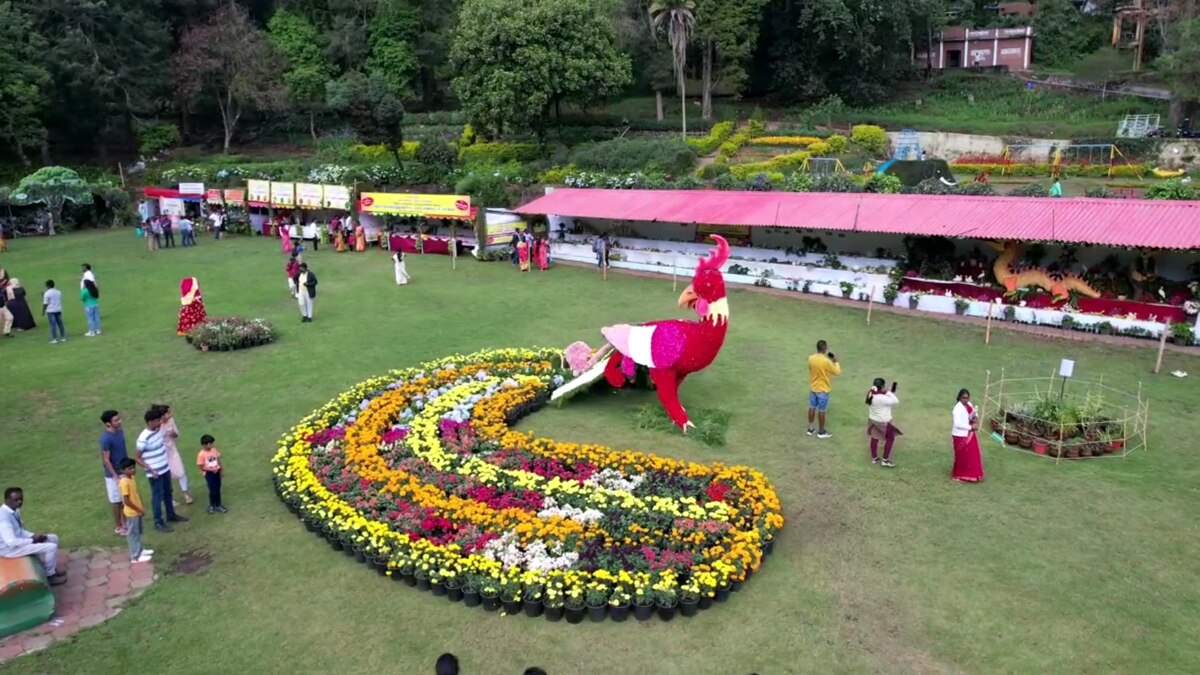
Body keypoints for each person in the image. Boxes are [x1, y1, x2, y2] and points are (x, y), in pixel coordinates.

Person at [135, 408, 188, 532]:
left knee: (168, 492)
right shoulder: (143, 438)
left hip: (165, 468)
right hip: (155, 473)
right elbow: (137, 457)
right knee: (157, 496)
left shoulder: (158, 429)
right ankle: (158, 522)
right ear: (150, 422)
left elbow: (166, 422)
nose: (160, 422)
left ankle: (171, 515)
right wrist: (150, 469)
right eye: (158, 420)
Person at [0, 488, 66, 584]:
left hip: (18, 541)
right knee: (50, 547)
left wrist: (34, 536)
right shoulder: (4, 519)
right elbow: (11, 542)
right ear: (7, 500)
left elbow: (20, 530)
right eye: (16, 499)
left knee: (53, 538)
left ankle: (52, 568)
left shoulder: (14, 510)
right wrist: (32, 540)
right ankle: (50, 576)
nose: (20, 502)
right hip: (10, 550)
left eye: (21, 499)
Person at [100, 410, 136, 536]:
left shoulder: (120, 432)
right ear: (108, 424)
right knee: (116, 501)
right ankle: (119, 526)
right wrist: (115, 475)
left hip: (123, 470)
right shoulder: (106, 439)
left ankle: (125, 521)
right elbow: (105, 459)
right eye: (116, 420)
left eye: (119, 419)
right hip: (113, 475)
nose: (119, 422)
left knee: (125, 497)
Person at [155, 404, 193, 505]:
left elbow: (176, 434)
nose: (170, 414)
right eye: (168, 413)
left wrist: (173, 434)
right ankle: (168, 498)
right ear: (162, 415)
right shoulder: (156, 425)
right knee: (165, 475)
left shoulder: (171, 421)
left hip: (171, 450)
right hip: (161, 453)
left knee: (181, 471)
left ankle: (185, 493)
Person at [118, 459, 154, 564]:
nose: (133, 470)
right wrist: (138, 510)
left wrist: (141, 507)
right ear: (123, 470)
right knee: (133, 533)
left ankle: (140, 550)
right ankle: (135, 556)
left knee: (138, 532)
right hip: (132, 512)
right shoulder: (124, 483)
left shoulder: (132, 478)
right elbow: (126, 501)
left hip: (137, 511)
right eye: (129, 469)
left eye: (133, 467)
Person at [807, 340, 841, 439]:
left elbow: (810, 369)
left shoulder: (811, 358)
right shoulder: (826, 361)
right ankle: (821, 431)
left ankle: (810, 428)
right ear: (825, 348)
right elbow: (837, 372)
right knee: (822, 410)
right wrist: (836, 362)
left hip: (813, 387)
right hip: (823, 389)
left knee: (812, 407)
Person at [865, 378, 902, 468]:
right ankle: (885, 460)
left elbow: (878, 395)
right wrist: (888, 392)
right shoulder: (882, 398)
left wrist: (884, 392)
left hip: (873, 419)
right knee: (890, 438)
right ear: (882, 386)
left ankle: (874, 458)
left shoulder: (871, 392)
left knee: (875, 437)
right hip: (884, 421)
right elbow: (896, 401)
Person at [951, 388, 985, 483]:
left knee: (973, 454)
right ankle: (960, 475)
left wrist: (974, 418)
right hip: (960, 435)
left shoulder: (969, 404)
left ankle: (974, 474)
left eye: (967, 398)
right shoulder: (957, 409)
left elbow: (971, 414)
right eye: (964, 398)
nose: (966, 400)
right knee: (962, 457)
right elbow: (957, 424)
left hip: (969, 434)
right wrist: (970, 427)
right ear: (959, 398)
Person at [196, 434, 226, 514]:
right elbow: (201, 466)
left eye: (212, 443)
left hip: (217, 472)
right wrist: (211, 469)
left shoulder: (214, 450)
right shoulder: (201, 454)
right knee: (212, 490)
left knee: (218, 489)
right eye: (210, 444)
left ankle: (218, 505)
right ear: (204, 445)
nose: (211, 445)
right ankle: (212, 505)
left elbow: (218, 460)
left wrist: (221, 470)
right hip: (209, 474)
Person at [43, 279, 65, 344]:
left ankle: (54, 338)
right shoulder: (58, 292)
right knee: (60, 324)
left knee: (53, 324)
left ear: (48, 285)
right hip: (58, 309)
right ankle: (63, 337)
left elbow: (45, 303)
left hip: (51, 310)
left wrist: (43, 311)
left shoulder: (47, 293)